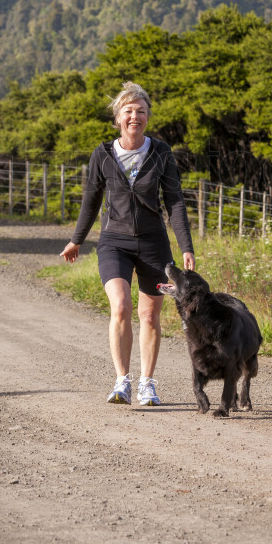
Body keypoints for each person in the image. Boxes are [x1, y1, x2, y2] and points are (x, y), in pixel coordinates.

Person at [60, 82, 195, 407]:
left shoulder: (161, 152)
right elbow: (91, 200)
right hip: (114, 242)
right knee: (120, 306)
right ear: (118, 117)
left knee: (149, 315)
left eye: (141, 111)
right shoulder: (103, 154)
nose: (135, 116)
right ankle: (122, 381)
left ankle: (147, 384)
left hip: (153, 244)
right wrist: (76, 240)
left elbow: (175, 201)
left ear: (147, 116)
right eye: (129, 111)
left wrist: (186, 246)